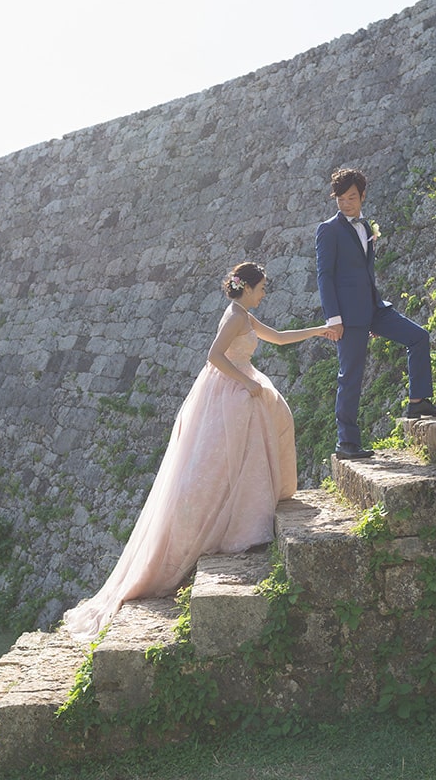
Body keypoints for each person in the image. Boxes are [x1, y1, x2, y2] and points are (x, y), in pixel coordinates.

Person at [63, 262, 336, 640]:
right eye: (262, 288)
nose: (264, 293)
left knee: (260, 440)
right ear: (248, 288)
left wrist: (318, 331)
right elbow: (215, 356)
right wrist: (245, 382)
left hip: (240, 385)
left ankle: (249, 512)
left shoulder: (243, 314)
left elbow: (278, 336)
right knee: (223, 463)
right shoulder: (236, 317)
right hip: (229, 390)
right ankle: (234, 524)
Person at [315, 168, 436, 460]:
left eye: (351, 197)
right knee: (350, 376)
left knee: (418, 337)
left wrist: (372, 311)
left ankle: (418, 401)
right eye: (340, 199)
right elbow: (324, 276)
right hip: (348, 317)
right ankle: (347, 444)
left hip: (374, 308)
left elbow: (365, 272)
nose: (345, 204)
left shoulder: (366, 227)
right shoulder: (328, 229)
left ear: (363, 195)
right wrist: (334, 319)